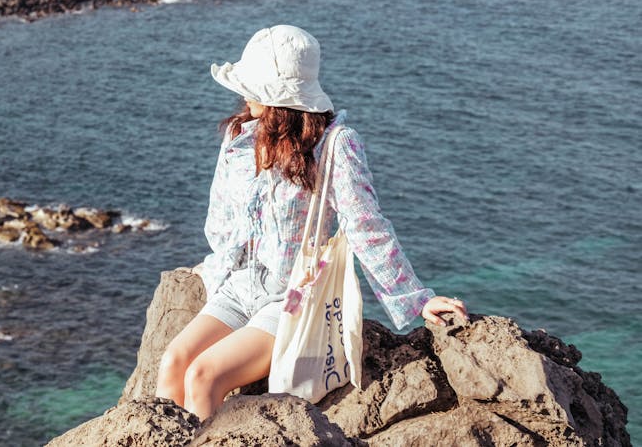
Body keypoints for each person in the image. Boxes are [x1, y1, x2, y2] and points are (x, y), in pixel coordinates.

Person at [155, 24, 467, 420]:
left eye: (251, 85)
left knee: (204, 375)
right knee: (172, 363)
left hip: (292, 297)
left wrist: (417, 300)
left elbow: (367, 226)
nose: (242, 94)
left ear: (275, 96)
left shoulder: (335, 145)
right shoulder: (240, 134)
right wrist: (216, 265)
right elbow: (221, 215)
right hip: (239, 284)